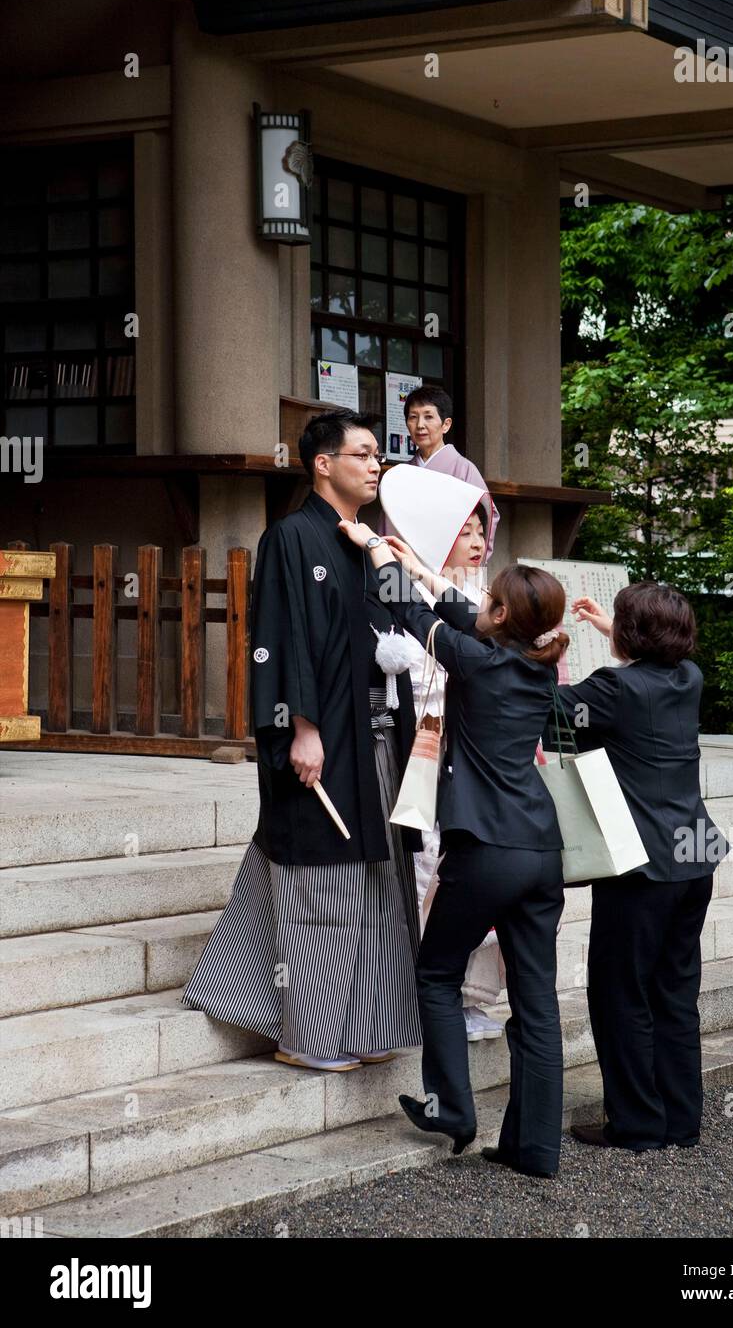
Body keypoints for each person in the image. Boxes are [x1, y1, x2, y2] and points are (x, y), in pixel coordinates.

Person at [181, 409, 423, 1073]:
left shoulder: (369, 540)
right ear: (322, 462)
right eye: (363, 454)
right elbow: (279, 637)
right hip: (322, 735)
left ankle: (372, 1026)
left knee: (378, 880)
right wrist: (302, 728)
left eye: (379, 455)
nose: (376, 465)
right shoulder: (290, 537)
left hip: (376, 735)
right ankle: (308, 1036)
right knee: (324, 883)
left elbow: (409, 621)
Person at [339, 516, 569, 1179]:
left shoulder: (477, 660)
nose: (483, 607)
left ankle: (453, 1112)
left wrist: (376, 549)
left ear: (504, 615)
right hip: (541, 851)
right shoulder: (535, 664)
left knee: (437, 973)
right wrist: (416, 563)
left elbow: (410, 613)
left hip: (486, 849)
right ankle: (535, 1148)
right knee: (537, 1003)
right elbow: (459, 611)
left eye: (492, 601)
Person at [551, 582, 730, 1151]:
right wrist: (613, 629)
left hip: (643, 867)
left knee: (620, 993)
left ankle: (636, 1125)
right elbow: (651, 670)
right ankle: (681, 1122)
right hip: (693, 857)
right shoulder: (688, 679)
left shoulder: (614, 688)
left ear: (631, 637)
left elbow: (551, 711)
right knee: (674, 993)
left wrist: (539, 649)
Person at [400, 497, 506, 1042]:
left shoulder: (491, 601)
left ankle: (474, 998)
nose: (476, 541)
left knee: (466, 871)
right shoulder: (415, 595)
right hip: (428, 749)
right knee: (429, 868)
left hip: (478, 756)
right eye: (463, 531)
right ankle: (431, 994)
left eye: (479, 531)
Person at [381, 385, 500, 552]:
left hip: (450, 567)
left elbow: (487, 516)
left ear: (446, 424)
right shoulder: (401, 474)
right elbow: (389, 522)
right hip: (403, 567)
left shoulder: (464, 469)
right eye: (413, 417)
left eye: (428, 417)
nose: (420, 425)